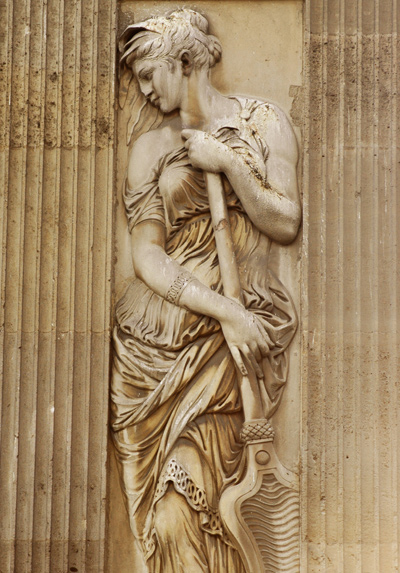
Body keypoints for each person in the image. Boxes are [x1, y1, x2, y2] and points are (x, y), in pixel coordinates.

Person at [111, 8, 301, 572]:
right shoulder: (148, 148)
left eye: (150, 73)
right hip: (161, 341)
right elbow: (147, 256)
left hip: (229, 352)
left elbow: (286, 221)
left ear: (185, 60)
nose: (144, 90)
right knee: (162, 520)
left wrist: (228, 164)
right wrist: (225, 312)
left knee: (190, 504)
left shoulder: (263, 123)